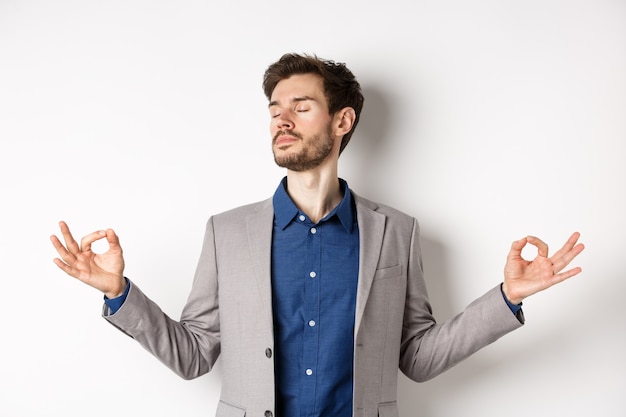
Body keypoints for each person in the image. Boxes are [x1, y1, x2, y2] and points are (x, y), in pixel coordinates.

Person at [50, 53, 585, 417]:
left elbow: (417, 358)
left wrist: (507, 298)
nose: (282, 120)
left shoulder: (397, 231)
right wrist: (118, 293)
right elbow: (194, 355)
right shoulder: (226, 232)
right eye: (275, 110)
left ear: (341, 121)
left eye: (300, 107)